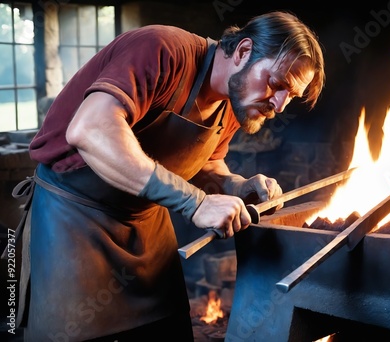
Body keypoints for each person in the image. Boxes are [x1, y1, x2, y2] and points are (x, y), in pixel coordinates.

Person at [13, 10, 325, 341]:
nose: (278, 105)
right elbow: (90, 129)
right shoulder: (162, 50)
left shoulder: (235, 101)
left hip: (146, 227)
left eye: (290, 96)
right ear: (244, 51)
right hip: (74, 222)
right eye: (277, 84)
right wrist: (196, 202)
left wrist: (235, 185)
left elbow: (205, 163)